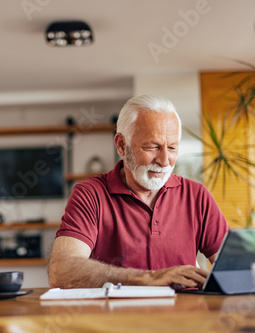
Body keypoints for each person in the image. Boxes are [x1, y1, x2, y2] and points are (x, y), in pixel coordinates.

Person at [48, 94, 230, 290]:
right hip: (116, 319)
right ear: (121, 145)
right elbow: (61, 271)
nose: (164, 160)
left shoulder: (196, 195)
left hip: (183, 318)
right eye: (152, 147)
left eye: (172, 148)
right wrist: (148, 278)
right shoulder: (90, 194)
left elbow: (235, 269)